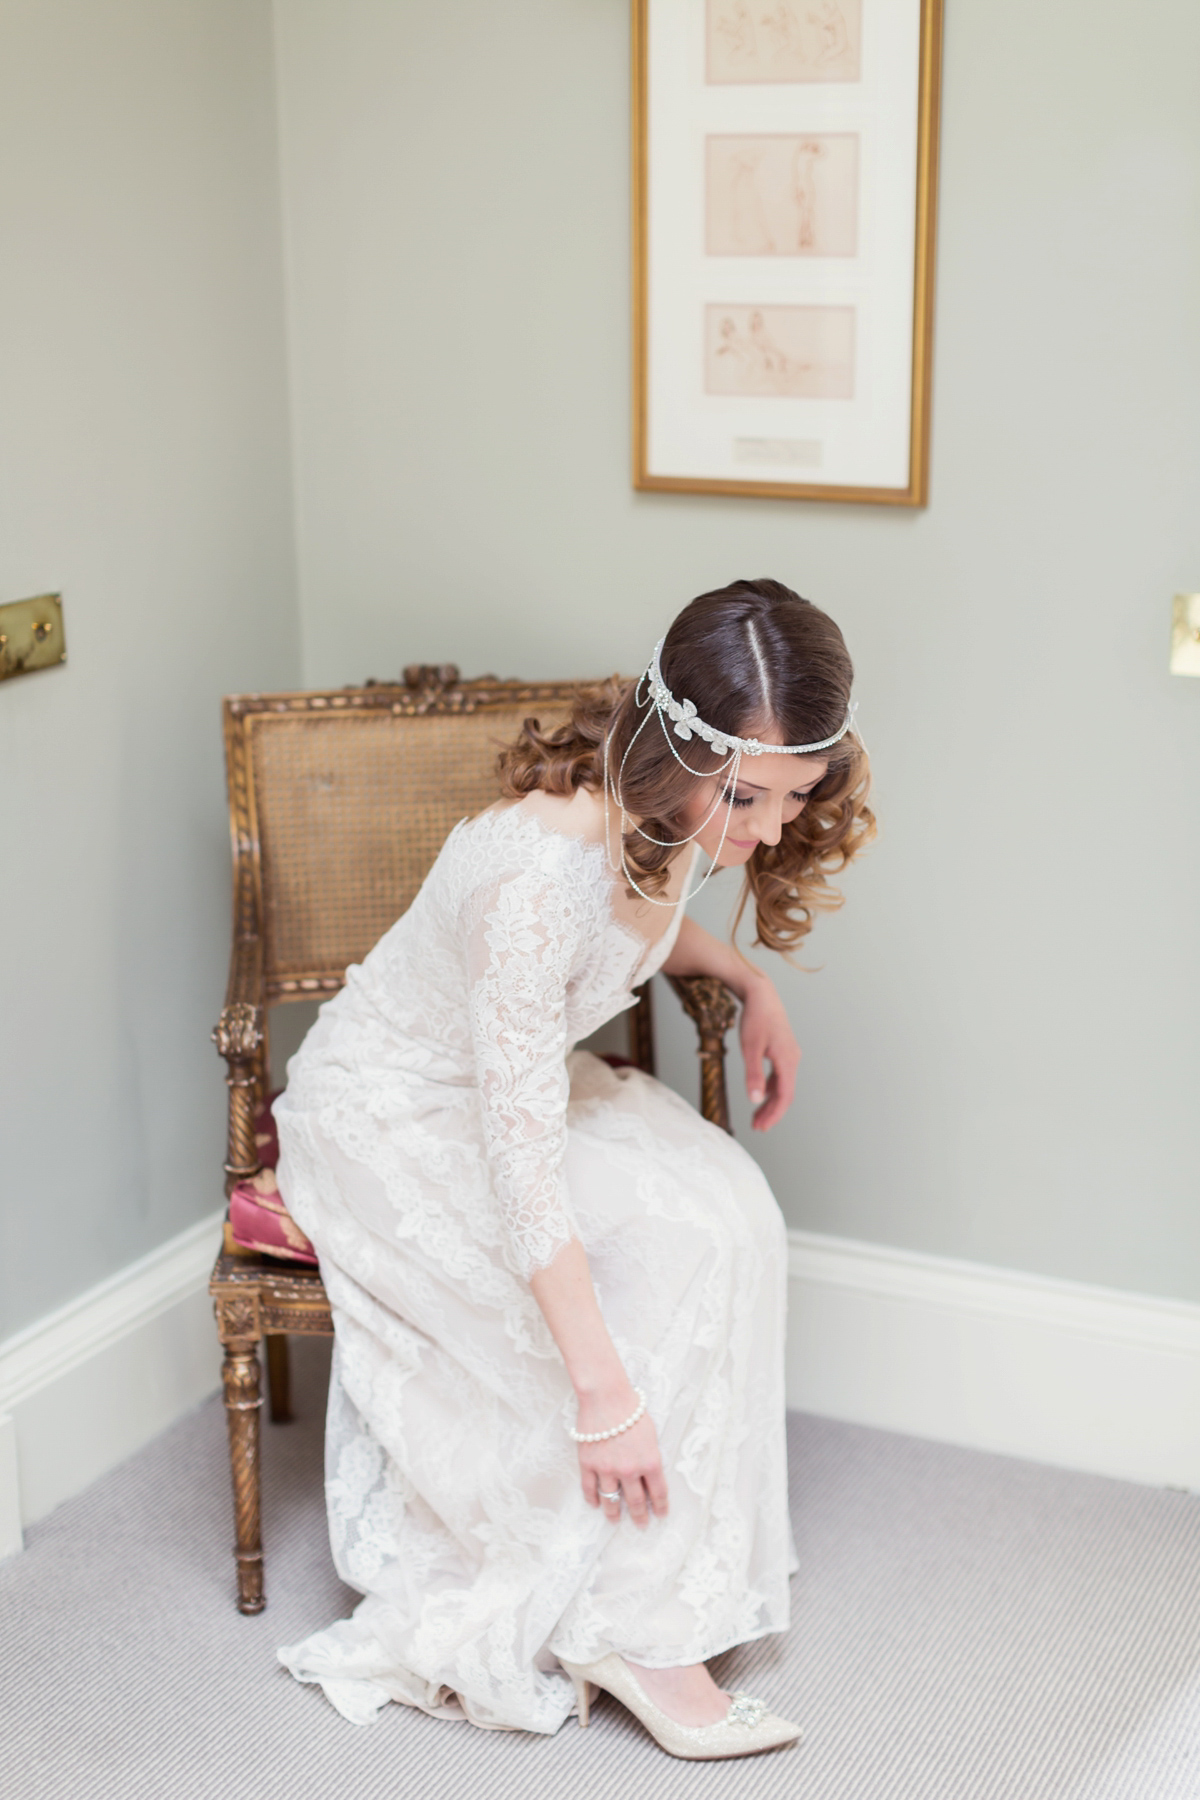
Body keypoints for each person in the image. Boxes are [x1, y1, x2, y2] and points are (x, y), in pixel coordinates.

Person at [272, 577, 874, 1760]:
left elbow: (645, 917)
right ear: (675, 750)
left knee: (730, 1215)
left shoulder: (660, 813)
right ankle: (635, 1631)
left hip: (514, 1087)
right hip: (392, 1119)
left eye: (793, 799)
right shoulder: (524, 884)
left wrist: (750, 981)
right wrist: (603, 1397)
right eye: (749, 799)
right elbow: (523, 1165)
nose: (763, 833)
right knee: (595, 1312)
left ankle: (678, 1576)